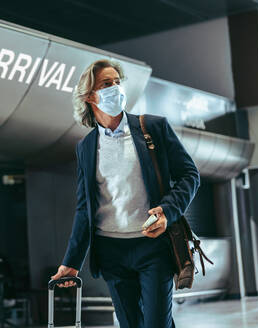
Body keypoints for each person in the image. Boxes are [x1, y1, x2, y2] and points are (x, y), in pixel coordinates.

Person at [50, 59, 200, 328]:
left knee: (156, 324)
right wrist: (71, 262)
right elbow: (85, 209)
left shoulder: (153, 128)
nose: (115, 88)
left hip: (153, 247)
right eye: (106, 84)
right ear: (89, 96)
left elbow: (190, 175)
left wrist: (167, 211)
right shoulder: (86, 147)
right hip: (111, 253)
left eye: (117, 82)